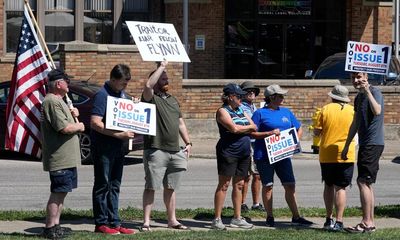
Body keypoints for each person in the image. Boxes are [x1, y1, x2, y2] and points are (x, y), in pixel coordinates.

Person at [251, 84, 313, 227]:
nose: (283, 98)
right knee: (268, 186)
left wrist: (295, 140)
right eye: (280, 96)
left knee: (290, 185)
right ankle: (270, 216)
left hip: (283, 156)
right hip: (264, 156)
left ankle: (296, 216)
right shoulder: (259, 113)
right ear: (272, 97)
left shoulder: (286, 112)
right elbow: (251, 133)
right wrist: (269, 133)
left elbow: (298, 128)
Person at [141, 61, 192, 232]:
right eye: (163, 78)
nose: (166, 80)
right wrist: (161, 66)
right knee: (151, 186)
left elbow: (181, 124)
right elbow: (148, 85)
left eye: (166, 77)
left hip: (175, 150)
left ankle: (172, 220)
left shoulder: (173, 100)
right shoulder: (150, 98)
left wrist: (188, 142)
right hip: (156, 149)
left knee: (171, 187)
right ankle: (146, 221)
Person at [91, 64, 136, 235]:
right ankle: (101, 223)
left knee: (115, 185)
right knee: (103, 184)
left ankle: (114, 222)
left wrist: (134, 107)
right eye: (124, 82)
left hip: (118, 147)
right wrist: (117, 134)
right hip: (104, 147)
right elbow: (95, 123)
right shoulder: (102, 95)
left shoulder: (121, 94)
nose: (126, 86)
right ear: (113, 79)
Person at [40, 69, 85, 239]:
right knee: (57, 192)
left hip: (67, 158)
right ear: (59, 84)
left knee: (62, 192)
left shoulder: (60, 101)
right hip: (59, 157)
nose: (69, 84)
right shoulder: (52, 101)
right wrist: (80, 126)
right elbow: (64, 128)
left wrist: (75, 116)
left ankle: (56, 225)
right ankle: (50, 227)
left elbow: (67, 123)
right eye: (67, 81)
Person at [342, 72, 384, 233]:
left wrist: (367, 91)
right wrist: (347, 145)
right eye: (353, 78)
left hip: (373, 143)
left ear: (366, 76)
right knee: (366, 182)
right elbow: (356, 122)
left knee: (362, 181)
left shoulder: (375, 92)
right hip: (365, 143)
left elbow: (377, 110)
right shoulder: (358, 98)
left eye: (359, 77)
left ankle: (367, 222)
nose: (356, 80)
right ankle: (370, 222)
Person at [211, 83, 257, 230]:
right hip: (228, 151)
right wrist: (245, 128)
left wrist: (244, 128)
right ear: (231, 97)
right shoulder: (222, 111)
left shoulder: (240, 110)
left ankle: (237, 218)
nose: (242, 99)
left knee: (239, 185)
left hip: (244, 152)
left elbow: (253, 126)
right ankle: (217, 219)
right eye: (239, 96)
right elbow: (233, 128)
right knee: (224, 185)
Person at [313, 85, 356, 231]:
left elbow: (317, 132)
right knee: (341, 188)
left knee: (328, 185)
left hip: (327, 154)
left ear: (332, 96)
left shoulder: (324, 109)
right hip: (347, 154)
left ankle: (328, 219)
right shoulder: (352, 110)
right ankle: (339, 221)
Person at [239, 81, 264, 212]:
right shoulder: (241, 108)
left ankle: (256, 203)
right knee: (246, 175)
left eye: (253, 91)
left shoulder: (255, 108)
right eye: (248, 91)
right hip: (247, 143)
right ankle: (242, 203)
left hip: (257, 144)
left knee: (257, 174)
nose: (251, 93)